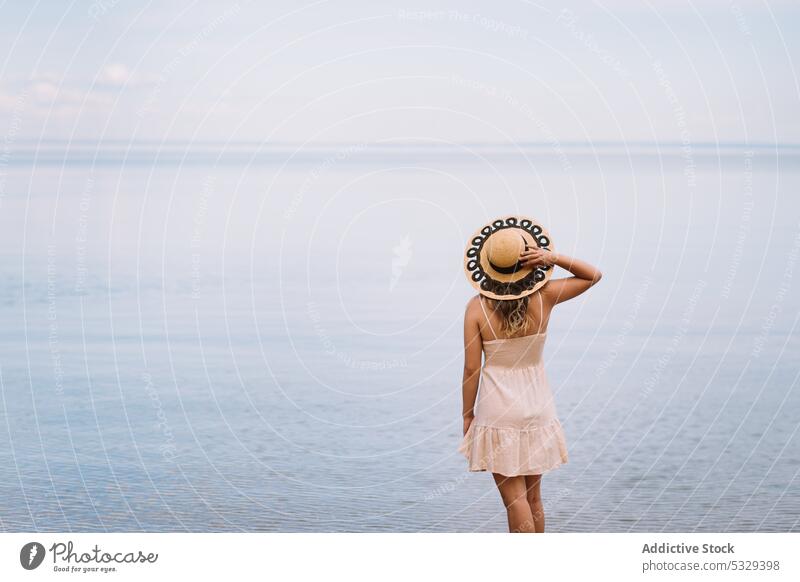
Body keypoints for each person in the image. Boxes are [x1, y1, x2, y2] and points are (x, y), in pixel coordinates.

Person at [459, 216, 602, 533]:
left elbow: (471, 369)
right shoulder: (545, 296)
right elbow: (593, 276)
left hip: (498, 412)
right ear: (529, 262)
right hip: (538, 407)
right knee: (534, 499)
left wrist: (467, 417)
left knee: (514, 500)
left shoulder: (475, 308)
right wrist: (553, 258)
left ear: (487, 266)